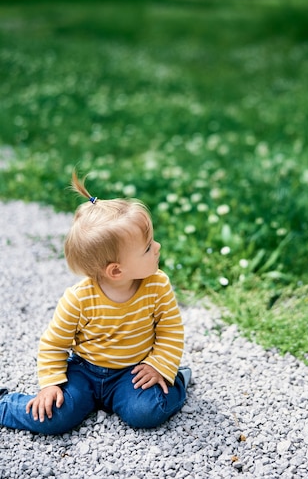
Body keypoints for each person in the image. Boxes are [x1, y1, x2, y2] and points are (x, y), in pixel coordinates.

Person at [0, 172, 191, 435]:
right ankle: (4, 404)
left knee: (147, 411)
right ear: (116, 271)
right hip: (85, 373)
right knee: (53, 416)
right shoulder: (78, 299)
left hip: (132, 372)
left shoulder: (157, 286)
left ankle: (178, 377)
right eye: (147, 247)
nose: (157, 247)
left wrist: (159, 364)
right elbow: (54, 344)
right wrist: (50, 385)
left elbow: (170, 331)